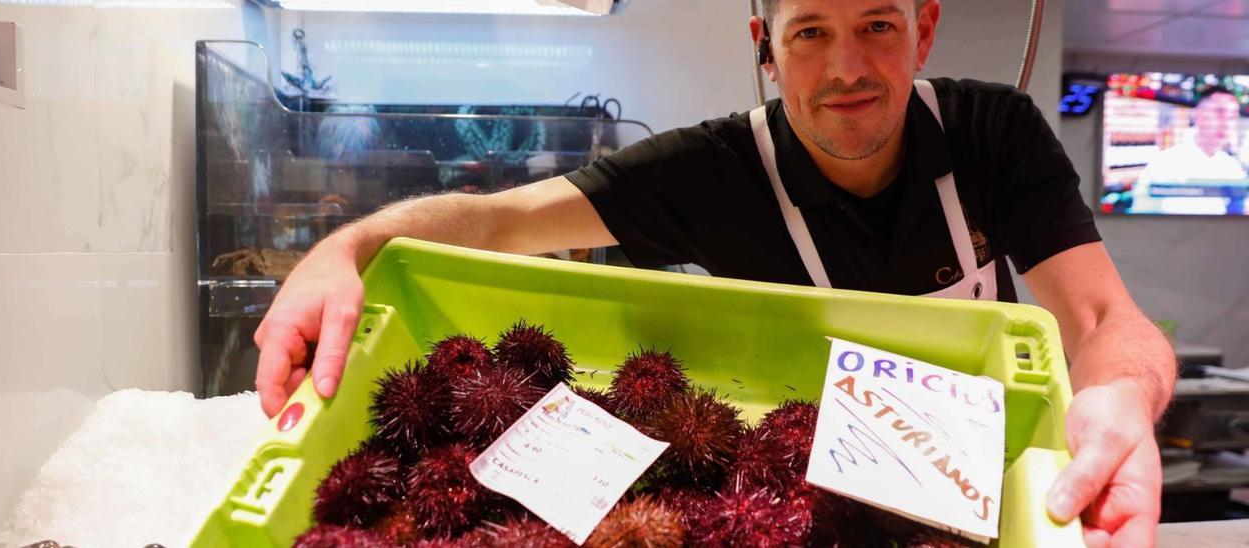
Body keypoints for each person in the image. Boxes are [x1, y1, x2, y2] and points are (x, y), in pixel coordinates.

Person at [252, 1, 1174, 545]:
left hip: (973, 489)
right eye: (810, 31)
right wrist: (344, 249)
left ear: (924, 29)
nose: (846, 68)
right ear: (765, 45)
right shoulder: (711, 170)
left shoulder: (994, 134)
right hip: (787, 495)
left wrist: (1125, 395)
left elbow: (1100, 323)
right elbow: (500, 219)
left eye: (877, 25)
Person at [1132, 86, 1247, 215]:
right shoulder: (1164, 163)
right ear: (1197, 114)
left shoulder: (1232, 167)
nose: (1226, 123)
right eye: (1219, 112)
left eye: (1232, 117)